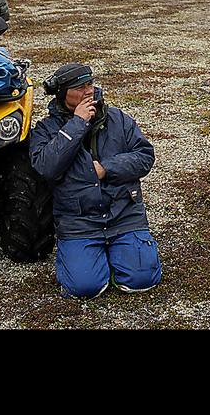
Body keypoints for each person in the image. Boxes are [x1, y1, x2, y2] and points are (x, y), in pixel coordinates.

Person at [29, 63, 163, 298]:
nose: (88, 91)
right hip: (78, 221)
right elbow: (46, 168)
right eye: (79, 87)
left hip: (124, 214)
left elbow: (145, 157)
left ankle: (120, 255)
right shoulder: (45, 129)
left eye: (90, 84)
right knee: (83, 288)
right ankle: (85, 259)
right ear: (62, 93)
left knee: (142, 280)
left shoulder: (118, 119)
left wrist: (106, 169)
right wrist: (77, 123)